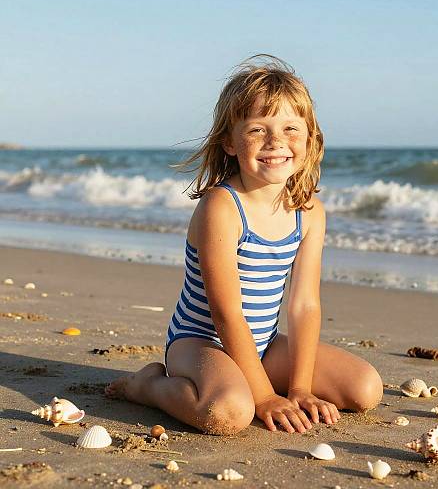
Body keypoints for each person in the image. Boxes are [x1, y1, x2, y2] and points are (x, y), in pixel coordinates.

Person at [106, 55, 383, 435]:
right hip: (201, 343)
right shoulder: (222, 206)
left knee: (365, 388)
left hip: (263, 345)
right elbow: (226, 313)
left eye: (290, 129)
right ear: (230, 143)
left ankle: (257, 383)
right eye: (257, 130)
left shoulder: (310, 212)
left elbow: (304, 305)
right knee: (230, 413)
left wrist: (300, 389)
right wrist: (266, 397)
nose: (276, 142)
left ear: (310, 137)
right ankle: (149, 386)